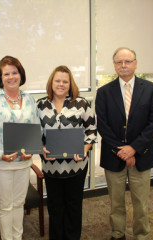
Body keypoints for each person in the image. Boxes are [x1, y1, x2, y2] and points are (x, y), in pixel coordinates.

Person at [95, 47, 153, 240]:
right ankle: (118, 233)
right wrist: (121, 150)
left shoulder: (150, 90)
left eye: (127, 61)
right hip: (113, 154)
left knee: (141, 201)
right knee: (116, 201)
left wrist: (133, 149)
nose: (123, 65)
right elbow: (103, 125)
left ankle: (141, 234)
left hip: (142, 154)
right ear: (114, 65)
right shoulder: (104, 92)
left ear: (136, 63)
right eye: (119, 62)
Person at [0, 56, 40, 240]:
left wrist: (33, 148)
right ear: (0, 77)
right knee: (5, 205)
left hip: (23, 162)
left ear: (21, 75)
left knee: (19, 203)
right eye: (6, 74)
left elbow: (36, 127)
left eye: (15, 72)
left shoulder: (30, 99)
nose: (11, 77)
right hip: (1, 164)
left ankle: (18, 237)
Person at [36, 65, 97, 240]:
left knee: (73, 207)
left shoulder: (82, 103)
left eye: (65, 81)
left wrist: (84, 150)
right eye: (58, 80)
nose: (61, 84)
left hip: (76, 167)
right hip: (51, 167)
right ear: (51, 82)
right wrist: (41, 149)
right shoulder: (40, 105)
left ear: (70, 84)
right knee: (55, 208)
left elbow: (91, 131)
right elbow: (35, 134)